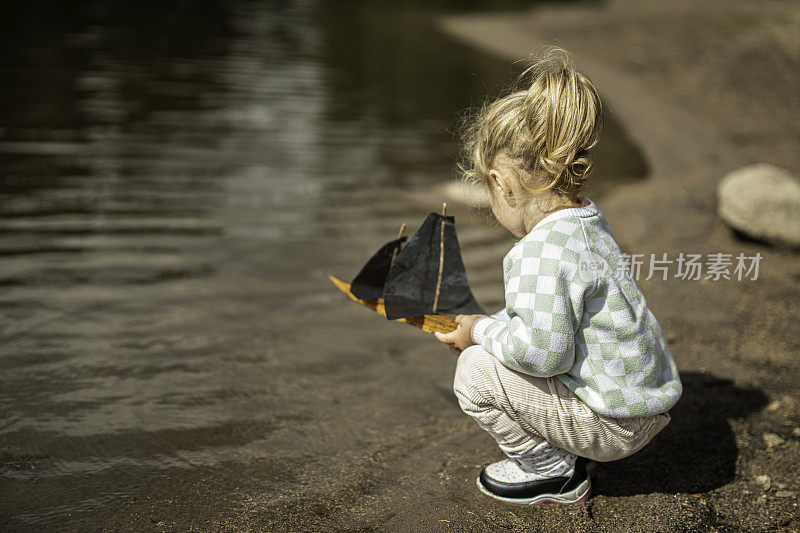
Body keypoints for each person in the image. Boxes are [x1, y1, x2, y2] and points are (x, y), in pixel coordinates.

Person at [434, 47, 682, 505]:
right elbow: (557, 315)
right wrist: (491, 327)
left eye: (490, 192)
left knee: (474, 373)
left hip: (613, 425)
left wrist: (478, 332)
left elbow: (544, 355)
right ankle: (565, 451)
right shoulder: (587, 221)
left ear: (502, 183)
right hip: (646, 403)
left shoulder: (536, 253)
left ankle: (551, 473)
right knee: (495, 347)